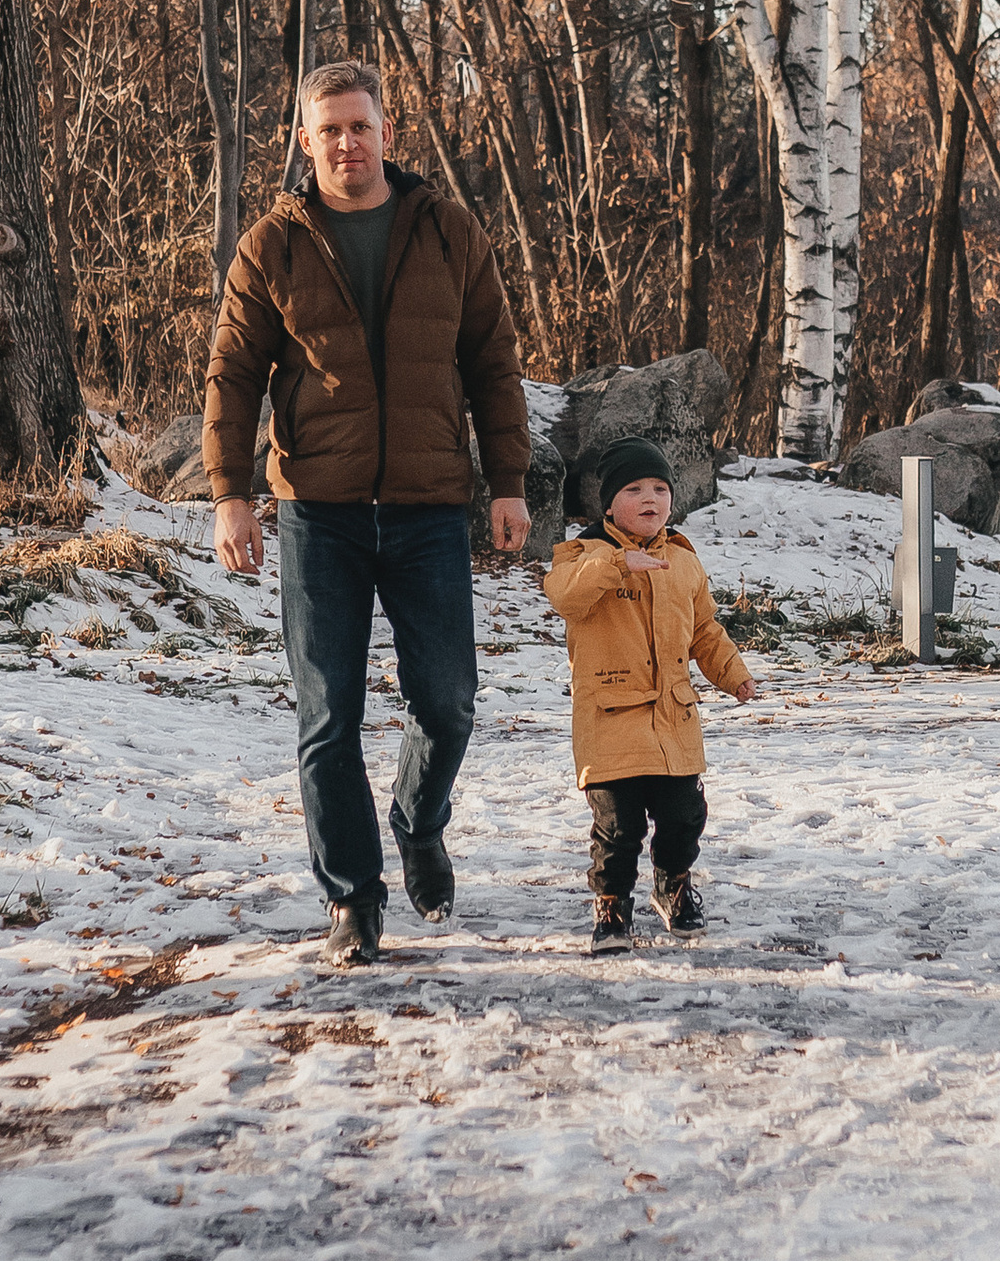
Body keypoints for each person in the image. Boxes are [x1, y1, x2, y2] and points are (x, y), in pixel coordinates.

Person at [206, 59, 532, 967]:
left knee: (450, 702)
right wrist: (232, 494)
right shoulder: (272, 245)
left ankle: (419, 819)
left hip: (430, 508)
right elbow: (232, 377)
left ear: (389, 132)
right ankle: (352, 898)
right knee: (327, 719)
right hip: (320, 515)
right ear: (303, 142)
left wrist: (508, 481)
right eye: (329, 130)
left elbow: (494, 365)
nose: (347, 143)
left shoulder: (448, 230)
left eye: (361, 126)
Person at [543, 437, 755, 951]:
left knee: (685, 817)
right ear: (609, 503)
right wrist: (618, 564)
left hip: (673, 718)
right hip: (611, 719)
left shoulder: (683, 561)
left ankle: (672, 885)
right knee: (618, 828)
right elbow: (565, 597)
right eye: (634, 488)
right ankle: (612, 906)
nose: (650, 499)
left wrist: (733, 674)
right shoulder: (582, 556)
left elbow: (704, 628)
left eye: (660, 488)